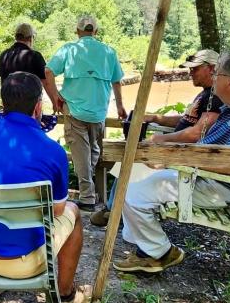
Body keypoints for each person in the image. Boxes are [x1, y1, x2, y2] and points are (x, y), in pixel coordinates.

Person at [114, 52, 230, 274]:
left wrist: (170, 161)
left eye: (217, 74)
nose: (214, 78)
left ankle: (158, 253)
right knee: (133, 174)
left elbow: (228, 166)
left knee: (133, 194)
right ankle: (143, 244)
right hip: (200, 174)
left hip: (217, 185)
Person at [0, 72, 92, 303]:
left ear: (4, 102)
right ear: (38, 107)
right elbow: (57, 210)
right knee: (72, 210)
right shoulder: (52, 151)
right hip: (23, 264)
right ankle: (66, 296)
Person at [90, 49, 223, 226]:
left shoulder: (215, 97)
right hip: (176, 150)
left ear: (212, 68)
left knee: (132, 161)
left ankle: (114, 210)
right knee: (128, 162)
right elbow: (186, 120)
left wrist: (161, 140)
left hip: (184, 156)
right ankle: (112, 208)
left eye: (195, 69)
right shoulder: (206, 93)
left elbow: (196, 133)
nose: (190, 72)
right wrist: (156, 118)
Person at [44, 16, 126, 211]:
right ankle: (90, 194)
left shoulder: (69, 49)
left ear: (77, 31)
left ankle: (88, 197)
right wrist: (121, 106)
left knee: (81, 155)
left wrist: (55, 97)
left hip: (74, 110)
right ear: (95, 32)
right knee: (93, 153)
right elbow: (117, 81)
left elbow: (48, 71)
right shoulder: (108, 52)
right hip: (99, 112)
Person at [0, 23, 52, 92]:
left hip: (8, 100)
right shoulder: (35, 56)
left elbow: (2, 81)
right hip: (30, 101)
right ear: (30, 38)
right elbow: (46, 82)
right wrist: (55, 101)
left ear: (16, 37)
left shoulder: (4, 55)